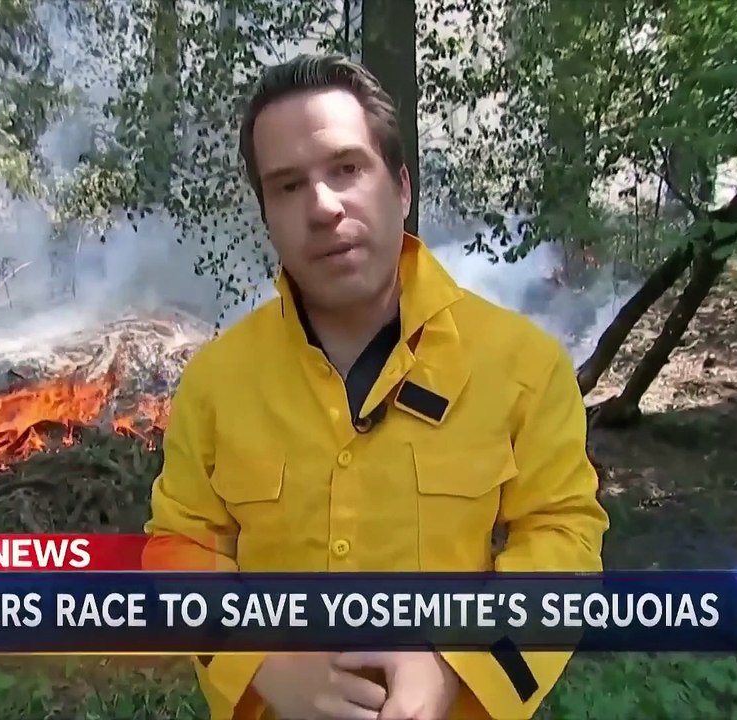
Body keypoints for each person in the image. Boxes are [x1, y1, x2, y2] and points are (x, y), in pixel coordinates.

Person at [141, 54, 609, 720]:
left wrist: (456, 664)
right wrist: (261, 660)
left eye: (346, 169)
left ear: (402, 188)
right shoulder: (217, 384)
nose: (323, 207)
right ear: (267, 215)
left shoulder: (524, 367)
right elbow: (178, 546)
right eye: (287, 185)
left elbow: (566, 540)